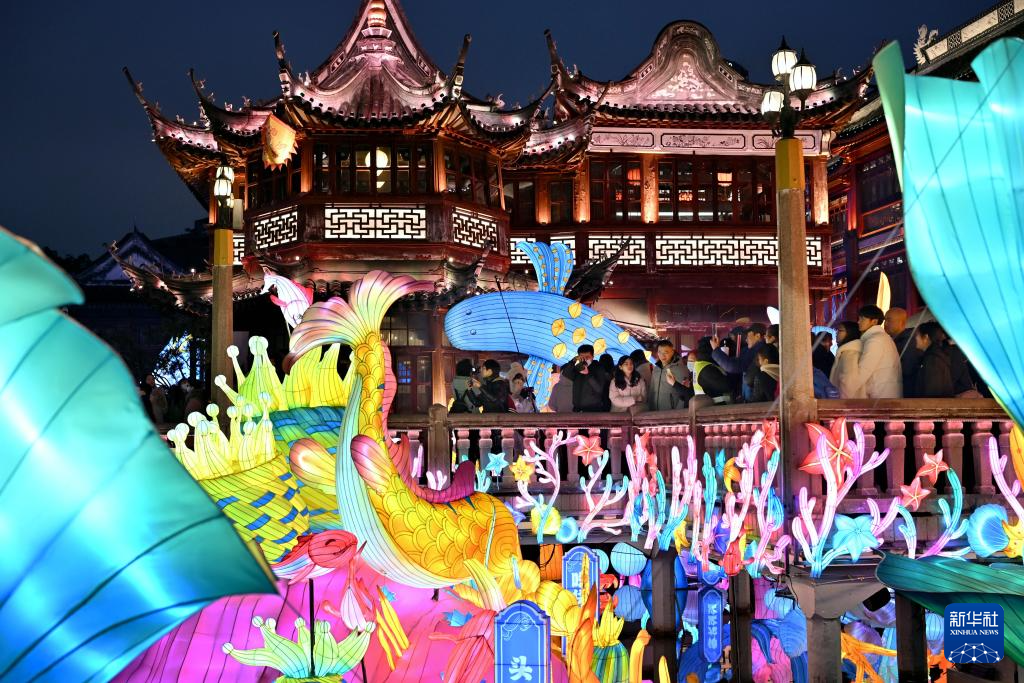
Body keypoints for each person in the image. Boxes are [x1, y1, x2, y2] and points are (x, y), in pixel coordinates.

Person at [712, 323, 767, 402]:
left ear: (757, 336)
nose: (746, 340)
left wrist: (716, 350)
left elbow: (733, 366)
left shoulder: (758, 351)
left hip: (754, 399)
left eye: (748, 336)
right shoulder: (751, 350)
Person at [857, 305, 903, 398]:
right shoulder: (881, 338)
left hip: (879, 396)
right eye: (859, 318)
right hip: (885, 395)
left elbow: (863, 372)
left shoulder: (875, 340)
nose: (858, 322)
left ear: (874, 321)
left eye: (862, 319)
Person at [560, 344, 609, 412]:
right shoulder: (578, 367)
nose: (585, 359)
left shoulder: (599, 368)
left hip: (593, 409)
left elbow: (599, 389)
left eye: (587, 357)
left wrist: (587, 374)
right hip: (577, 408)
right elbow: (566, 374)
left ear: (593, 357)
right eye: (582, 357)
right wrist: (573, 361)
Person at [885, 307, 921, 397]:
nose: (885, 324)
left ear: (901, 323)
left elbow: (907, 368)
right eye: (885, 320)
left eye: (889, 320)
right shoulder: (892, 340)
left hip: (906, 390)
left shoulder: (909, 341)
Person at [912, 322, 955, 398]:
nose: (915, 338)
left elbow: (933, 393)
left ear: (925, 337)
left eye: (917, 335)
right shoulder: (935, 356)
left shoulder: (933, 360)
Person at [688, 338, 732, 405]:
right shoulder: (707, 369)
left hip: (707, 406)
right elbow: (727, 386)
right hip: (714, 407)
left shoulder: (700, 364)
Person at [648, 339, 688, 411]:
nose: (662, 355)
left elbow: (684, 393)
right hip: (655, 411)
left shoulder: (680, 369)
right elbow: (652, 390)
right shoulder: (656, 368)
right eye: (660, 352)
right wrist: (650, 407)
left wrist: (678, 411)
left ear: (672, 352)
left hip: (671, 411)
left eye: (666, 352)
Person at [830, 322, 865, 399]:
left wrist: (844, 403)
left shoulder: (850, 353)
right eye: (836, 330)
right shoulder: (847, 351)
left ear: (850, 333)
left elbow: (848, 382)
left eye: (840, 330)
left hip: (847, 402)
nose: (836, 333)